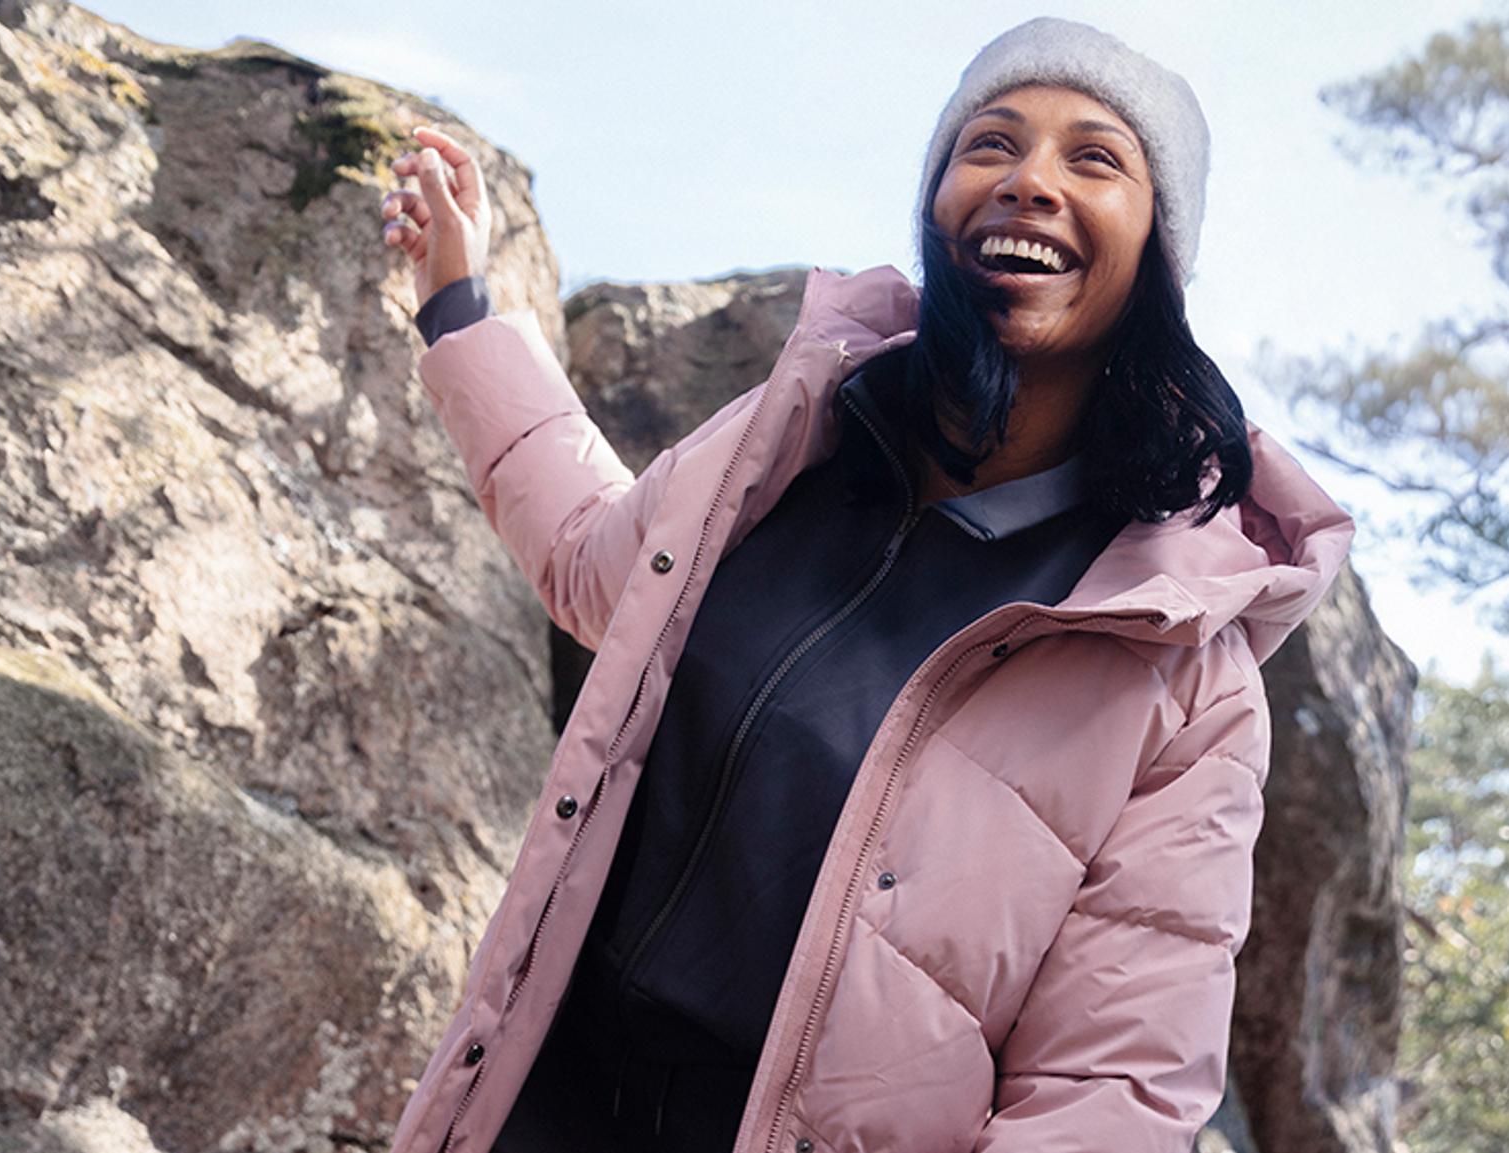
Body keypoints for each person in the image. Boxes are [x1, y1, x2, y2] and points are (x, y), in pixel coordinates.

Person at [377, 17, 1354, 1153]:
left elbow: (1109, 1093)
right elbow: (602, 566)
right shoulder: (801, 439)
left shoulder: (1182, 667)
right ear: (936, 202)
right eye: (988, 145)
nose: (1027, 182)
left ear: (1155, 255)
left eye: (1093, 159)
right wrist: (457, 309)